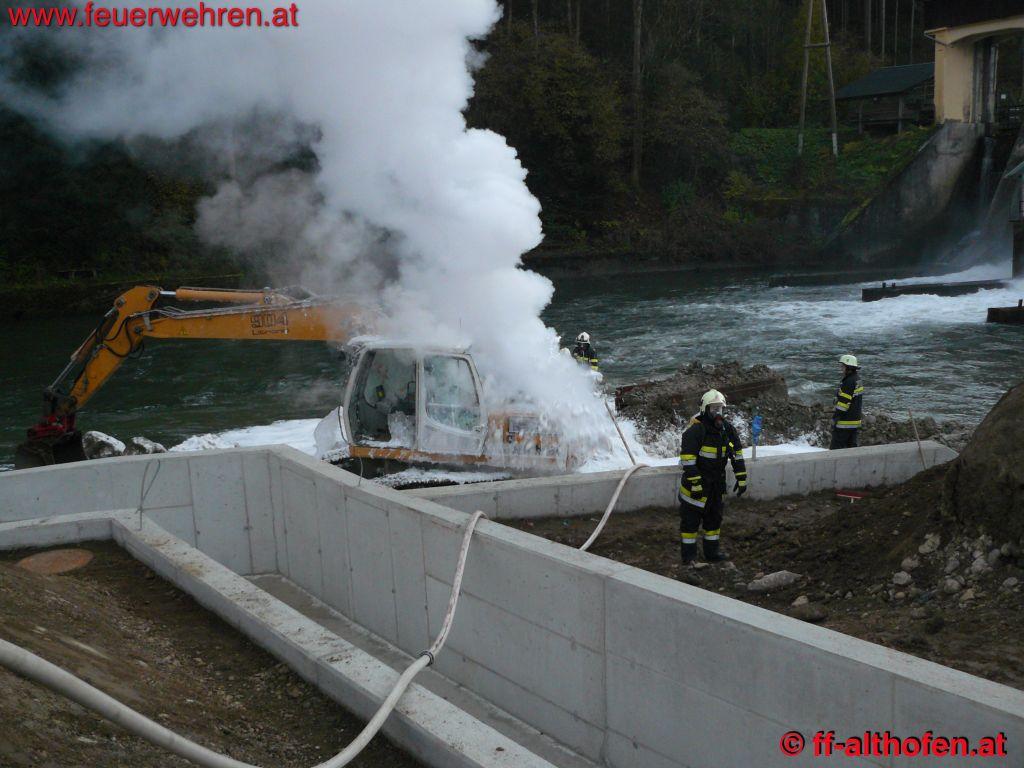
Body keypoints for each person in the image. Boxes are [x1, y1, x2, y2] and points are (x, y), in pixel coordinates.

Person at [678, 389, 747, 566]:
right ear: (704, 410)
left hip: (716, 486)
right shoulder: (695, 431)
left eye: (720, 409)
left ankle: (712, 552)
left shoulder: (727, 430)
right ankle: (689, 557)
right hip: (696, 486)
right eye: (713, 409)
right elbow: (688, 460)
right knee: (690, 523)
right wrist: (695, 483)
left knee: (714, 520)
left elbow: (737, 454)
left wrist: (742, 478)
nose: (717, 414)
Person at [830, 354, 863, 450]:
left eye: (843, 366)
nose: (841, 368)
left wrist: (835, 418)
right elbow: (853, 399)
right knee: (851, 451)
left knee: (835, 451)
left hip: (844, 423)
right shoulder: (857, 379)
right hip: (855, 422)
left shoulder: (848, 381)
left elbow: (843, 405)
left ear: (848, 367)